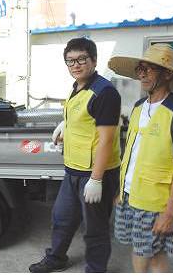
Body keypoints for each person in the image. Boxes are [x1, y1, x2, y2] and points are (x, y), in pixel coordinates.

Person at [29, 37, 121, 273]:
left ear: (94, 60)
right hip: (73, 170)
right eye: (70, 61)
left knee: (94, 228)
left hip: (94, 173)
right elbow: (84, 117)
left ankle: (96, 269)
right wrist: (65, 124)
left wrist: (97, 179)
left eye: (81, 59)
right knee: (61, 218)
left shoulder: (105, 93)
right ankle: (56, 258)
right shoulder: (78, 87)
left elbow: (106, 140)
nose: (76, 65)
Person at [108, 43, 173, 272]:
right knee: (152, 251)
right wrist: (122, 191)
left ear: (168, 73)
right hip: (130, 195)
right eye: (140, 69)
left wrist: (169, 213)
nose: (142, 74)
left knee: (143, 253)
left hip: (154, 202)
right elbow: (133, 152)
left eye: (149, 69)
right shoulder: (139, 107)